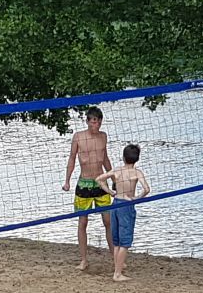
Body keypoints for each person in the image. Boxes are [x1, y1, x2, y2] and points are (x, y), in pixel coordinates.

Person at [62, 106, 114, 271]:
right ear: (88, 121)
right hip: (84, 183)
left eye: (98, 122)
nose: (96, 125)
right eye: (93, 122)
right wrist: (67, 181)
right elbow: (71, 159)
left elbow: (105, 159)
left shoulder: (103, 136)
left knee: (108, 221)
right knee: (83, 222)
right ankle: (84, 260)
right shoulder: (78, 137)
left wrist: (113, 178)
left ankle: (115, 257)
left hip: (100, 182)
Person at [99, 144, 151, 282]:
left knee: (116, 241)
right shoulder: (137, 173)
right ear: (137, 159)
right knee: (125, 242)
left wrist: (110, 192)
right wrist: (137, 198)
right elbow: (147, 189)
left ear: (123, 157)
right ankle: (117, 274)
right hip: (126, 206)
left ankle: (117, 269)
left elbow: (99, 179)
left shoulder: (117, 170)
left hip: (115, 204)